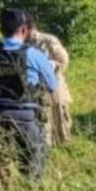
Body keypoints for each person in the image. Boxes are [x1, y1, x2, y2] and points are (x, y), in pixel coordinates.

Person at [0, 8, 57, 191]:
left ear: (0, 28)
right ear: (23, 29)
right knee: (34, 162)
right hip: (26, 117)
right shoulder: (35, 55)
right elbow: (52, 86)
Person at [25, 14, 72, 146]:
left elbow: (63, 61)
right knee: (42, 126)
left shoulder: (48, 40)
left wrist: (50, 64)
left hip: (54, 88)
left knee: (61, 124)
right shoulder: (23, 45)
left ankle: (65, 152)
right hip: (35, 93)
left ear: (30, 28)